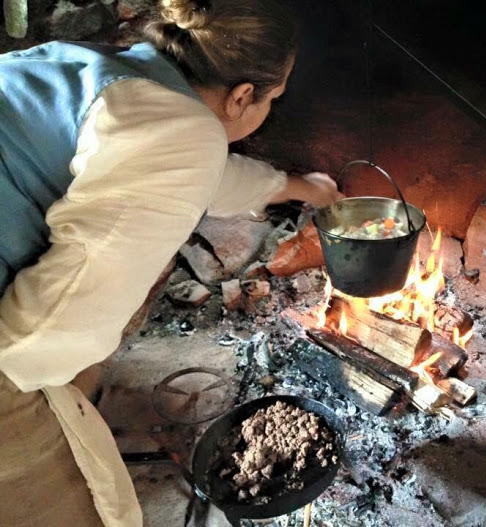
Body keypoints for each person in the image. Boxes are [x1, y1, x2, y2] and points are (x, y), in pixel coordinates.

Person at [0, 0, 341, 525]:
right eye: (275, 97)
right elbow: (46, 328)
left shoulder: (108, 71)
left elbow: (189, 169)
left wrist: (300, 188)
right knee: (89, 502)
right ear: (244, 96)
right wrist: (58, 400)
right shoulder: (176, 135)